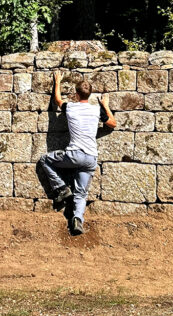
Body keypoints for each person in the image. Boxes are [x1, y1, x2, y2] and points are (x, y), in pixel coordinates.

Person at [37, 70, 117, 236]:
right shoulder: (97, 110)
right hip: (90, 158)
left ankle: (61, 188)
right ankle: (77, 219)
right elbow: (112, 124)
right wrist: (106, 105)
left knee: (45, 160)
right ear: (90, 94)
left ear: (75, 93)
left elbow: (58, 100)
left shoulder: (71, 107)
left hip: (74, 155)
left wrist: (57, 81)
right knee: (81, 193)